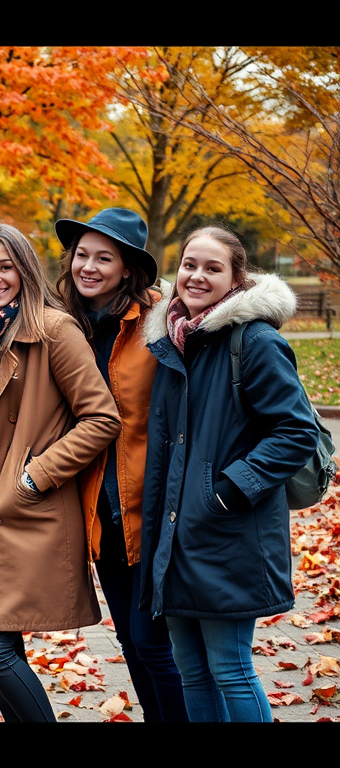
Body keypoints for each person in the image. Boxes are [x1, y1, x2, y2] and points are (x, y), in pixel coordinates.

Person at [0, 221, 121, 722]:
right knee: (3, 642)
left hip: (23, 507)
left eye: (6, 267)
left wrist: (35, 476)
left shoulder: (53, 330)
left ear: (26, 270)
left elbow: (102, 418)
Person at [140, 225, 318, 721]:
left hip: (228, 530)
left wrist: (227, 493)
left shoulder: (254, 341)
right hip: (177, 533)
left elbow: (296, 431)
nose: (197, 276)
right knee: (191, 669)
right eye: (189, 264)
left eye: (212, 268)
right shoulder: (174, 342)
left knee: (231, 667)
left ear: (236, 278)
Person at [53, 208, 188, 722]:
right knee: (133, 646)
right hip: (99, 513)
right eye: (82, 255)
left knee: (152, 643)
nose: (88, 266)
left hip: (152, 509)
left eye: (103, 258)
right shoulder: (70, 326)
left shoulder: (161, 322)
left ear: (129, 268)